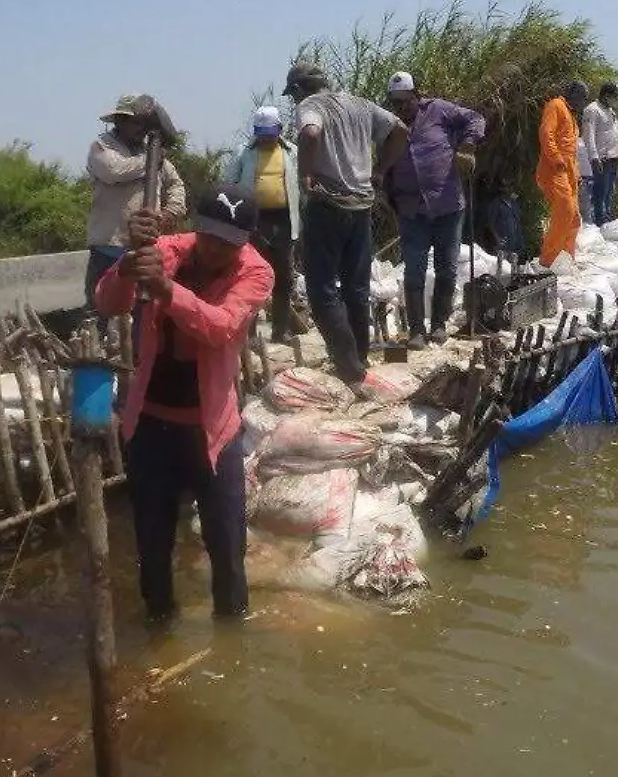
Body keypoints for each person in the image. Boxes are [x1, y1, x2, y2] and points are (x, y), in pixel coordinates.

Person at [95, 185, 273, 620]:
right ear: (197, 228)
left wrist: (164, 290)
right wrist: (127, 264)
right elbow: (107, 302)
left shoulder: (256, 272)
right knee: (153, 547)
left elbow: (222, 327)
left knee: (228, 546)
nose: (214, 249)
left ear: (244, 241)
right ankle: (160, 629)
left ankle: (232, 637)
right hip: (152, 426)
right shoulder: (165, 251)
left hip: (212, 432)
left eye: (227, 243)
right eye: (208, 236)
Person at [283, 60, 407, 384]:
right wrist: (380, 170)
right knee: (356, 286)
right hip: (361, 206)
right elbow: (400, 131)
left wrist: (307, 173)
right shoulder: (360, 104)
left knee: (322, 288)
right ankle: (359, 358)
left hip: (328, 203)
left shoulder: (310, 105)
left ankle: (349, 366)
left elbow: (310, 133)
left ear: (298, 90)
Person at [382, 71, 486, 350]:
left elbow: (475, 119)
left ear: (417, 95)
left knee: (447, 268)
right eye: (396, 103)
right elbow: (384, 166)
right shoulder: (390, 126)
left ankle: (439, 325)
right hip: (410, 210)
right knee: (414, 271)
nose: (402, 108)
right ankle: (416, 330)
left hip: (447, 204)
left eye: (406, 101)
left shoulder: (439, 110)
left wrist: (467, 146)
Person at [85, 94, 187, 310]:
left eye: (144, 123)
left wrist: (169, 213)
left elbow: (176, 184)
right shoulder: (102, 147)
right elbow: (114, 171)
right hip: (110, 246)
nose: (141, 128)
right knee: (104, 309)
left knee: (143, 310)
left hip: (148, 246)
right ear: (120, 121)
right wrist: (151, 160)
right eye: (135, 122)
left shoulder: (152, 153)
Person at [222, 105, 300, 347]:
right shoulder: (243, 153)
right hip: (253, 221)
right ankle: (250, 332)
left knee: (284, 276)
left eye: (271, 132)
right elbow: (228, 183)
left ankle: (281, 330)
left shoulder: (292, 152)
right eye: (262, 133)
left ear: (280, 129)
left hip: (284, 220)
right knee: (252, 274)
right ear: (256, 132)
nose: (267, 138)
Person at [535, 81, 586, 266]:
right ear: (572, 94)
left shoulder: (571, 115)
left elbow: (571, 151)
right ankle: (547, 261)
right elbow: (546, 133)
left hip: (568, 172)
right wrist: (556, 158)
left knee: (574, 219)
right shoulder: (556, 106)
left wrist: (577, 174)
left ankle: (565, 259)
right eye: (581, 97)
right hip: (553, 169)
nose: (582, 101)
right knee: (565, 210)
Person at [584, 82, 618, 222]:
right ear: (606, 95)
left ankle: (606, 218)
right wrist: (594, 158)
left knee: (608, 192)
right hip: (603, 158)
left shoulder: (610, 111)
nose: (615, 100)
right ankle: (600, 220)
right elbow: (588, 136)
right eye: (614, 97)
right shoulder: (592, 110)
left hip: (614, 158)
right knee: (600, 192)